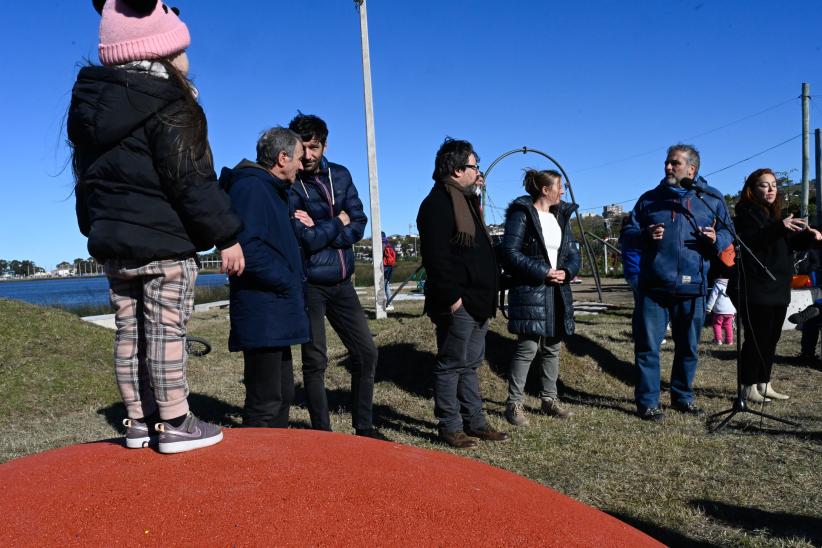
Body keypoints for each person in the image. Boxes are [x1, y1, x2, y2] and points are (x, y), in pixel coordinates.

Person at [69, 0, 245, 453]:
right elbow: (190, 178)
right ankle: (175, 422)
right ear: (162, 48)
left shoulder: (92, 105)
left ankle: (138, 421)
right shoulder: (169, 100)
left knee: (128, 334)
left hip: (114, 245)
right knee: (167, 331)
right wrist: (226, 234)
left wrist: (95, 230)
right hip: (164, 243)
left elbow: (86, 180)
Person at [287, 113, 385, 440]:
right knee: (315, 362)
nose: (308, 155)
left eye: (314, 147)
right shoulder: (290, 182)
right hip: (310, 284)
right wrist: (335, 223)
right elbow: (305, 238)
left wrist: (325, 229)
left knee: (366, 353)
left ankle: (364, 427)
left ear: (324, 145)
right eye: (302, 147)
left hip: (343, 282)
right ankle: (323, 435)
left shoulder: (340, 175)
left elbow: (358, 223)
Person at [620, 144, 733, 421]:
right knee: (647, 346)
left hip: (693, 286)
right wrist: (645, 234)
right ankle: (648, 402)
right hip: (654, 288)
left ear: (692, 169)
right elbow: (628, 234)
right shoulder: (649, 199)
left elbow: (729, 233)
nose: (668, 168)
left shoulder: (711, 199)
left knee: (689, 346)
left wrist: (715, 240)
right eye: (667, 163)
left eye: (675, 163)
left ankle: (682, 396)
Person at [417, 137, 509, 448]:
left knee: (470, 365)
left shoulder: (466, 201)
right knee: (451, 365)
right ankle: (450, 426)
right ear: (457, 170)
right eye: (474, 166)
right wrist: (454, 300)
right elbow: (437, 259)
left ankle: (476, 422)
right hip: (460, 302)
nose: (478, 171)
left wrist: (478, 190)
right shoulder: (437, 205)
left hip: (479, 301)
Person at [219, 128, 309, 428]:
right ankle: (255, 469)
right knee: (265, 403)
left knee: (282, 395)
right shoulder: (252, 188)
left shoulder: (272, 190)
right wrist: (287, 281)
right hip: (263, 311)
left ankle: (278, 466)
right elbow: (248, 249)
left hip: (275, 311)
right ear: (282, 158)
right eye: (299, 158)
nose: (303, 163)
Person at [729, 168, 822, 402]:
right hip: (756, 286)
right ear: (752, 188)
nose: (771, 189)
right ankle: (748, 386)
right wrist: (780, 227)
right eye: (764, 185)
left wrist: (810, 236)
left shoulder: (774, 215)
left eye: (773, 185)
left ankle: (764, 382)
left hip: (779, 285)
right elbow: (754, 242)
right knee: (756, 338)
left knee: (772, 338)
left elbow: (788, 244)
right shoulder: (745, 214)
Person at [500, 170, 580, 427]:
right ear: (545, 190)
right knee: (528, 347)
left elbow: (572, 253)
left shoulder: (560, 216)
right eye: (560, 187)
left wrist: (566, 272)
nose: (563, 192)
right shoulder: (521, 214)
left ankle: (549, 399)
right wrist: (542, 271)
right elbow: (509, 252)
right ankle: (514, 403)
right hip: (531, 289)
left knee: (553, 347)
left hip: (557, 290)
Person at [706, 275, 735, 345]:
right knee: (728, 325)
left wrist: (708, 308)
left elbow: (713, 297)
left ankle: (718, 340)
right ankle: (729, 341)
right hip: (730, 310)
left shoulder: (717, 285)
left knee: (717, 324)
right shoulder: (730, 285)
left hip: (720, 311)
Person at [382, 231, 396, 310]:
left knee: (386, 286)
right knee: (386, 285)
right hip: (391, 266)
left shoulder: (382, 244)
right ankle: (389, 303)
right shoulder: (389, 244)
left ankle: (390, 304)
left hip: (385, 267)